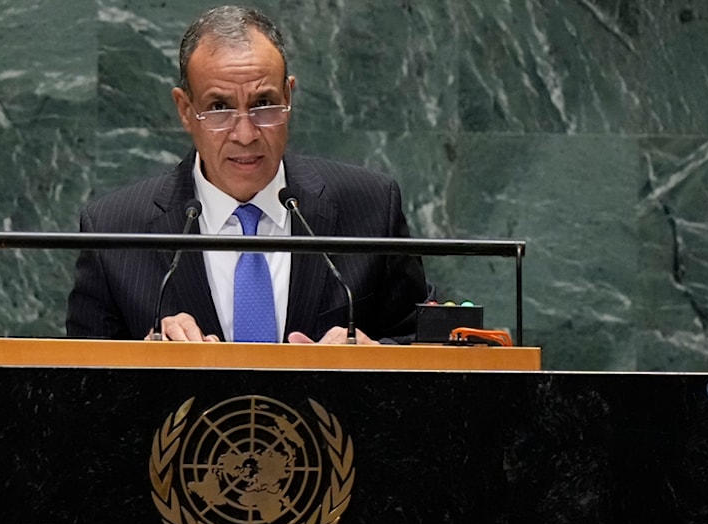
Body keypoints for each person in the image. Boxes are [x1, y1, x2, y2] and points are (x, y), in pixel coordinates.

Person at [66, 5, 433, 344]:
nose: (245, 134)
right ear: (184, 108)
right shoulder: (113, 231)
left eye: (263, 104)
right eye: (219, 108)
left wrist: (377, 358)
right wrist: (143, 365)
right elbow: (81, 391)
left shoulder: (370, 207)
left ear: (289, 97)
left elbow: (423, 346)